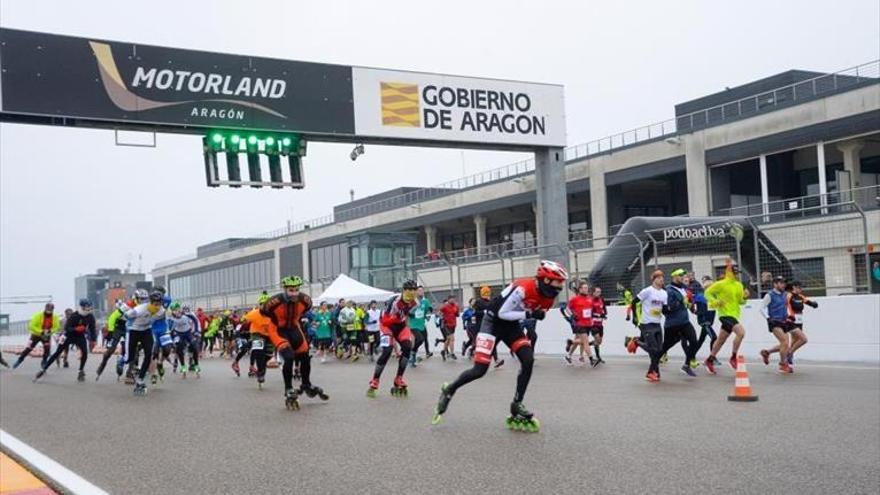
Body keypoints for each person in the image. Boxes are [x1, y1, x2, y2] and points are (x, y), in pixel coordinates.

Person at [432, 260, 568, 431]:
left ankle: (517, 404)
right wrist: (529, 313)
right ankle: (450, 389)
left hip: (511, 326)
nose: (561, 286)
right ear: (546, 280)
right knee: (479, 370)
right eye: (558, 282)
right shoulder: (523, 288)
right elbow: (502, 313)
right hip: (492, 322)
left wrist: (534, 315)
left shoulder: (549, 297)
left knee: (528, 360)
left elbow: (528, 314)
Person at [261, 276, 328, 410]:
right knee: (289, 357)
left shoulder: (305, 300)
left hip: (294, 329)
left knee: (304, 357)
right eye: (291, 290)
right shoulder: (274, 301)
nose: (294, 293)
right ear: (285, 289)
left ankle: (306, 384)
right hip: (278, 330)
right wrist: (276, 320)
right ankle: (288, 388)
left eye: (297, 290)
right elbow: (264, 312)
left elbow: (306, 310)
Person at [367, 280, 419, 398]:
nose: (411, 293)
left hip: (401, 327)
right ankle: (375, 379)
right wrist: (396, 317)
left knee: (407, 347)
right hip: (387, 326)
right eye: (409, 291)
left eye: (413, 291)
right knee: (387, 351)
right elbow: (385, 320)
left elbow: (407, 316)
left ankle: (399, 378)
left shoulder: (415, 302)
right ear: (404, 291)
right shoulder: (394, 301)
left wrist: (407, 322)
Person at [703, 260, 749, 375]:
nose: (738, 275)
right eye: (736, 273)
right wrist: (715, 301)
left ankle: (710, 360)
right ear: (730, 273)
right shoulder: (721, 284)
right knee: (741, 333)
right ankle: (733, 357)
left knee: (720, 340)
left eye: (738, 273)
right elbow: (707, 293)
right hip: (724, 315)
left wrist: (745, 297)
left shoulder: (739, 285)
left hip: (734, 315)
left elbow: (740, 302)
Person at [34, 299, 96, 382]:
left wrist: (93, 340)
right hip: (68, 336)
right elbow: (67, 328)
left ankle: (81, 371)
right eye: (86, 308)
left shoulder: (90, 316)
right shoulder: (74, 316)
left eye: (89, 308)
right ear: (81, 307)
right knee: (57, 352)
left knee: (85, 352)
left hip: (80, 336)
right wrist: (76, 329)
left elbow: (92, 329)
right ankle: (43, 369)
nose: (88, 310)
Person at [762, 281, 817, 370]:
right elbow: (784, 305)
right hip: (790, 321)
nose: (800, 289)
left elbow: (807, 301)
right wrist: (787, 316)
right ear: (794, 287)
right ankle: (788, 357)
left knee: (789, 344)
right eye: (799, 287)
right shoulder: (788, 295)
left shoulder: (800, 296)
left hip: (799, 321)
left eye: (801, 287)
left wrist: (813, 304)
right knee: (800, 340)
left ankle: (768, 352)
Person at [628, 271, 668, 382]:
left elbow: (664, 309)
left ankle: (655, 371)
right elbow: (634, 302)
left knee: (659, 350)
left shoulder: (664, 293)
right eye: (659, 278)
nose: (661, 280)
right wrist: (635, 317)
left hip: (657, 323)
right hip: (647, 323)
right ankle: (651, 371)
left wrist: (671, 311)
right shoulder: (647, 291)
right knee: (654, 349)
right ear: (653, 279)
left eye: (662, 278)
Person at [659, 269, 699, 377]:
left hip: (684, 322)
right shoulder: (668, 290)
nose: (683, 277)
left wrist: (691, 307)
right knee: (665, 346)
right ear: (674, 276)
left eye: (683, 275)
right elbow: (667, 308)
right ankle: (654, 362)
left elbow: (687, 304)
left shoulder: (684, 289)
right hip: (672, 324)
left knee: (694, 342)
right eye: (680, 275)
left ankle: (686, 365)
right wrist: (680, 302)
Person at [759, 276, 794, 374]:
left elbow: (788, 305)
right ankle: (783, 364)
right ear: (775, 284)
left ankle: (767, 352)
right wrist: (768, 318)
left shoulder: (785, 294)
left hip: (784, 321)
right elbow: (762, 308)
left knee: (786, 345)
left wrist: (790, 316)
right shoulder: (770, 295)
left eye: (784, 283)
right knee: (784, 342)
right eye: (781, 283)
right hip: (774, 321)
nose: (783, 284)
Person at [95, 298, 134, 381]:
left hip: (129, 327)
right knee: (111, 349)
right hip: (118, 328)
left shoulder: (141, 307)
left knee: (133, 350)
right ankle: (102, 365)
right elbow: (112, 317)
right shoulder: (126, 306)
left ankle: (130, 372)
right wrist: (111, 331)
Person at [13, 303, 60, 370]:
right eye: (48, 310)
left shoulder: (55, 317)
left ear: (53, 310)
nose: (49, 312)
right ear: (45, 309)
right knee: (29, 348)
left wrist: (50, 331)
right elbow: (31, 326)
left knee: (47, 349)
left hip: (46, 335)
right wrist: (41, 331)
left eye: (51, 310)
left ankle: (44, 361)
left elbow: (57, 327)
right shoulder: (38, 315)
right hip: (36, 335)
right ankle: (20, 359)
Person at [561, 281, 595, 366]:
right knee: (585, 341)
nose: (586, 289)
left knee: (579, 341)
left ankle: (569, 355)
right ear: (580, 289)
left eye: (587, 288)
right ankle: (591, 359)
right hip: (579, 323)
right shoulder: (575, 299)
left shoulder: (590, 298)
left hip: (588, 323)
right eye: (584, 288)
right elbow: (567, 308)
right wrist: (572, 315)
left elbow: (591, 310)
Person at [473, 285, 504, 368]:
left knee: (491, 343)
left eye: (488, 293)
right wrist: (484, 312)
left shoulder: (490, 302)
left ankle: (496, 360)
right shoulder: (478, 302)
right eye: (486, 293)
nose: (488, 295)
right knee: (480, 344)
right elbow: (475, 314)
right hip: (481, 326)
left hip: (490, 326)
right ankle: (477, 358)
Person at [167, 301, 200, 378]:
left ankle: (196, 365)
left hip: (188, 333)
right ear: (172, 311)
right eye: (175, 310)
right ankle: (183, 367)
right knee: (179, 347)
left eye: (178, 309)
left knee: (194, 346)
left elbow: (195, 321)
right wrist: (171, 339)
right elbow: (169, 329)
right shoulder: (171, 318)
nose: (177, 311)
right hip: (179, 334)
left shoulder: (187, 314)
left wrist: (196, 331)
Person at [692, 276, 718, 355]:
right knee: (714, 337)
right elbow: (692, 305)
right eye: (706, 283)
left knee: (700, 340)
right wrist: (696, 312)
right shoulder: (700, 295)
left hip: (710, 321)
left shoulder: (713, 295)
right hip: (704, 322)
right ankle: (712, 358)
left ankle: (690, 355)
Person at [407, 286, 433, 365]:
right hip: (413, 324)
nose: (421, 292)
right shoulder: (412, 301)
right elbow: (408, 312)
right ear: (416, 292)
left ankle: (413, 356)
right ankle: (413, 353)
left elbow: (428, 310)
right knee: (420, 339)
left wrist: (428, 315)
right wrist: (414, 309)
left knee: (424, 339)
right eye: (419, 290)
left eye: (422, 290)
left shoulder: (426, 301)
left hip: (422, 324)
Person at [436, 295, 460, 361]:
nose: (453, 300)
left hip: (453, 325)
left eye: (454, 299)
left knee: (448, 340)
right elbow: (438, 313)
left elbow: (457, 314)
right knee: (452, 339)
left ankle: (443, 351)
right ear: (449, 300)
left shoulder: (456, 306)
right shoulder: (445, 306)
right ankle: (452, 353)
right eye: (451, 299)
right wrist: (441, 316)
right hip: (447, 325)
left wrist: (457, 313)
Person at [589, 286, 607, 365]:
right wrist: (597, 315)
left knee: (599, 341)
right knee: (597, 338)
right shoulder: (590, 301)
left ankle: (586, 344)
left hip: (600, 324)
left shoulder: (601, 300)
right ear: (593, 292)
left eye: (600, 292)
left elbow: (604, 310)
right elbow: (589, 313)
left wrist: (604, 314)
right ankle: (598, 357)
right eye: (597, 292)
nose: (599, 293)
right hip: (593, 324)